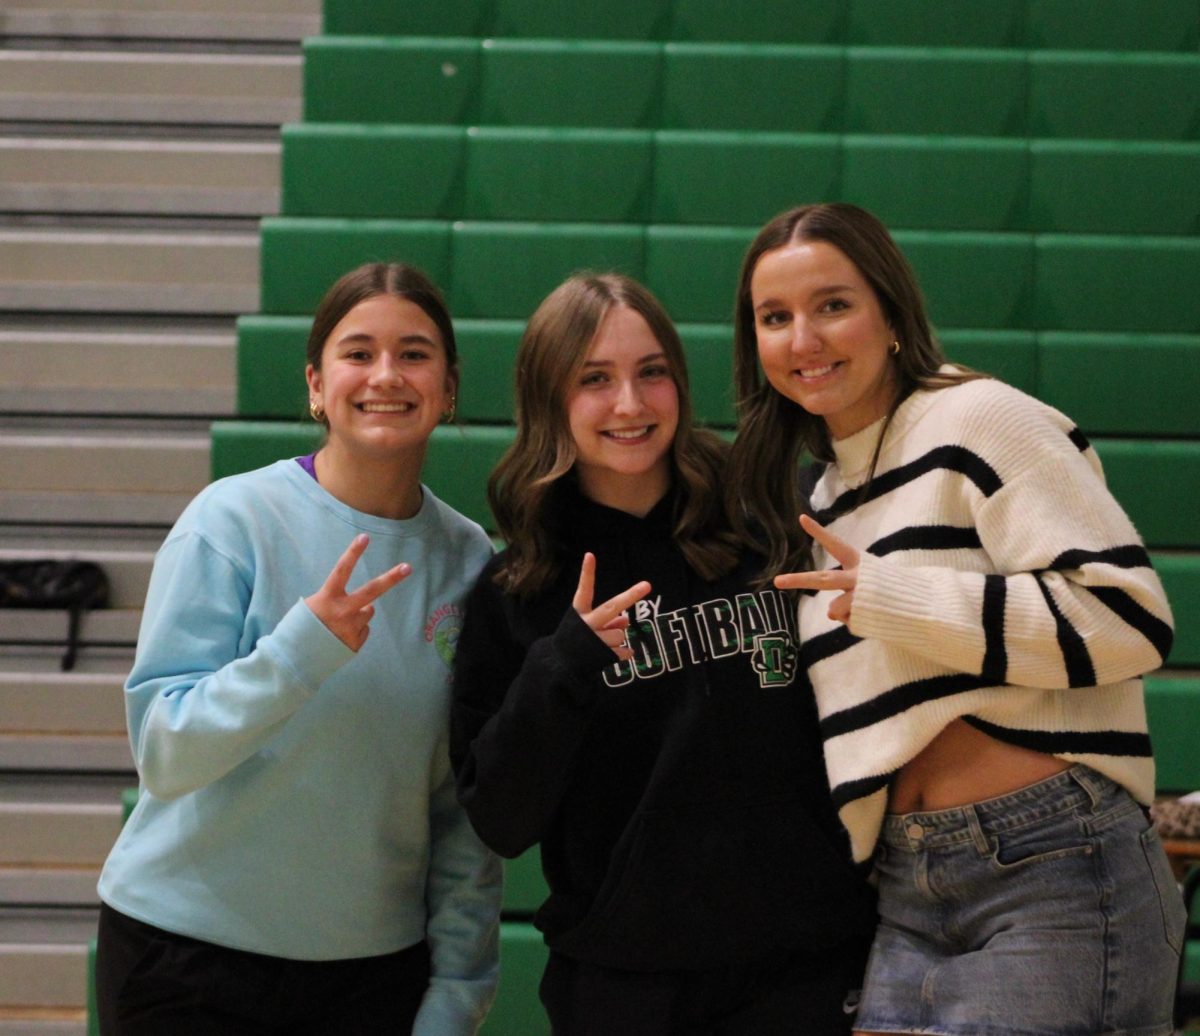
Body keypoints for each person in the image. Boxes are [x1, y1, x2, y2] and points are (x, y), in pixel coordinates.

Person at [726, 202, 1185, 1035]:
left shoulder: (977, 417)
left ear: (891, 313)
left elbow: (1130, 619)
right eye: (775, 317)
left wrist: (896, 598)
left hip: (1054, 861)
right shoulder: (820, 496)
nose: (804, 340)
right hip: (908, 886)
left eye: (833, 305)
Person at [450, 272, 876, 1036]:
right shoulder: (517, 589)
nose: (631, 404)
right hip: (625, 987)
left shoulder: (770, 529)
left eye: (651, 372)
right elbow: (499, 818)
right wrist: (565, 665)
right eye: (594, 379)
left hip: (806, 968)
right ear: (549, 400)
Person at [95, 262, 501, 1035]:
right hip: (186, 960)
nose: (386, 375)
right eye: (359, 353)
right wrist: (300, 653)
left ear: (449, 389)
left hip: (369, 980)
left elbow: (459, 808)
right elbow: (165, 752)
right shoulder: (232, 520)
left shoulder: (470, 559)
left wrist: (458, 991)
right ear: (317, 385)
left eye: (414, 353)